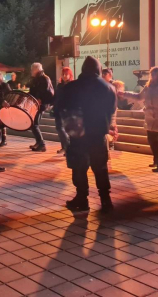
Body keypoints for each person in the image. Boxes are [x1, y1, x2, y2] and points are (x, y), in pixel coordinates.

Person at [57, 56, 117, 212]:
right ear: (98, 69)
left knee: (79, 167)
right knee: (100, 168)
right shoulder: (108, 87)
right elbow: (111, 110)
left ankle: (82, 198)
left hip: (78, 134)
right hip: (98, 134)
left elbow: (59, 107)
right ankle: (105, 200)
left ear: (83, 69)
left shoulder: (71, 87)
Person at [121, 66, 158, 172]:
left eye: (155, 74)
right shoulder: (149, 86)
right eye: (151, 74)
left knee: (156, 139)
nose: (152, 76)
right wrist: (124, 94)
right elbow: (139, 97)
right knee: (151, 139)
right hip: (150, 117)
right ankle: (157, 160)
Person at [28, 63, 55, 152]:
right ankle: (38, 142)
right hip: (36, 104)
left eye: (32, 69)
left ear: (36, 70)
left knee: (34, 124)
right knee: (33, 124)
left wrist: (40, 99)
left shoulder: (44, 79)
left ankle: (42, 144)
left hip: (41, 104)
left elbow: (45, 92)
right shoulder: (36, 79)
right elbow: (33, 91)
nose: (31, 71)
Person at [53, 67, 73, 155]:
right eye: (63, 74)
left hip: (67, 110)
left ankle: (67, 148)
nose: (64, 76)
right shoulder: (59, 85)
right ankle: (64, 147)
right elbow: (56, 96)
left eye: (66, 74)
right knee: (59, 128)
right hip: (58, 109)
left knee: (63, 129)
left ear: (70, 75)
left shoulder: (72, 85)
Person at [0, 71, 12, 147]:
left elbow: (10, 94)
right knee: (0, 123)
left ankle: (4, 140)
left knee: (2, 123)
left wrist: (6, 101)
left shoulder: (5, 85)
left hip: (4, 105)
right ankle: (0, 139)